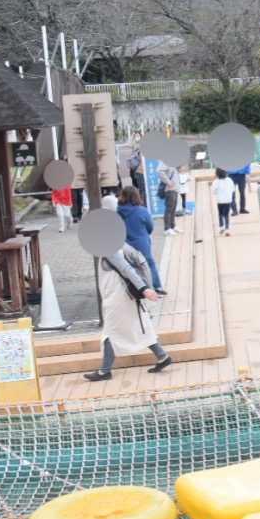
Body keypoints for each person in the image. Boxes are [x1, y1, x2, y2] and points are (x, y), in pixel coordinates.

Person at [83, 243, 173, 381]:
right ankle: (162, 356)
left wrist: (144, 289)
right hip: (126, 297)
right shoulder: (121, 245)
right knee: (141, 327)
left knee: (110, 332)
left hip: (118, 299)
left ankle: (105, 371)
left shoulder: (109, 248)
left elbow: (127, 269)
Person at [116, 187, 164, 294]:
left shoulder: (118, 212)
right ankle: (157, 288)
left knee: (129, 266)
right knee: (149, 264)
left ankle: (137, 289)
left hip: (125, 244)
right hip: (141, 242)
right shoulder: (142, 210)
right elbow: (150, 226)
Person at [159, 162, 182, 234]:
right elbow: (159, 170)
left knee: (173, 208)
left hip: (175, 189)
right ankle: (167, 228)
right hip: (169, 189)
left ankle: (172, 226)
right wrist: (168, 182)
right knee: (169, 208)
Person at [212, 167, 237, 235]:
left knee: (220, 214)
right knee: (226, 214)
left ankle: (221, 227)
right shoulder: (229, 180)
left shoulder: (216, 181)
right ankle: (227, 229)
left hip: (220, 200)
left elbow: (213, 191)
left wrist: (218, 193)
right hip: (228, 200)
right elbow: (233, 189)